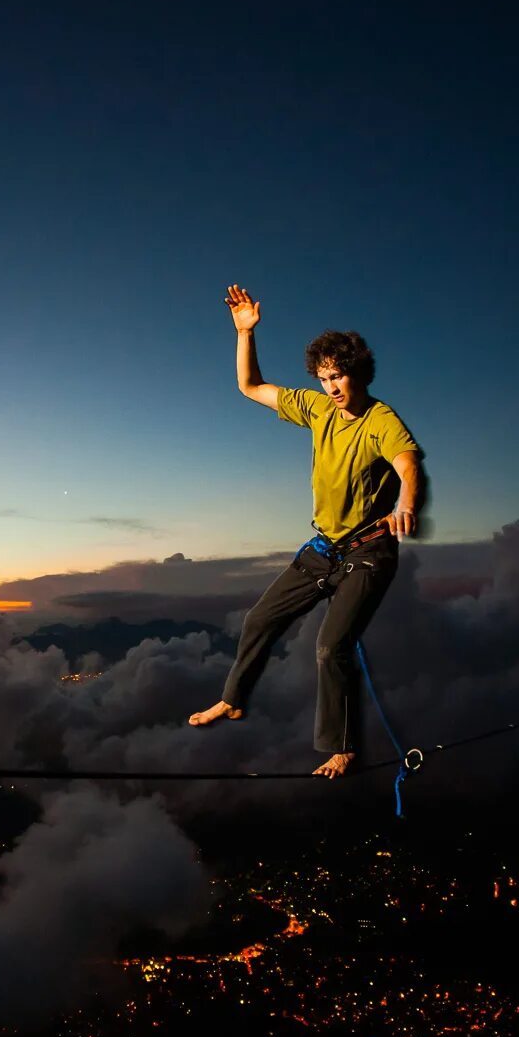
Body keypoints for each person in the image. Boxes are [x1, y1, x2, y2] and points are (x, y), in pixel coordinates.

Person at [188, 284, 425, 779]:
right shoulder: (317, 409)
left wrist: (406, 501)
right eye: (323, 378)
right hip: (323, 549)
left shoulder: (380, 419)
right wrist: (245, 334)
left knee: (329, 647)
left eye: (338, 376)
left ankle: (341, 747)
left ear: (356, 372)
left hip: (368, 553)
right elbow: (250, 387)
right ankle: (232, 701)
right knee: (258, 620)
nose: (332, 387)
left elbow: (406, 462)